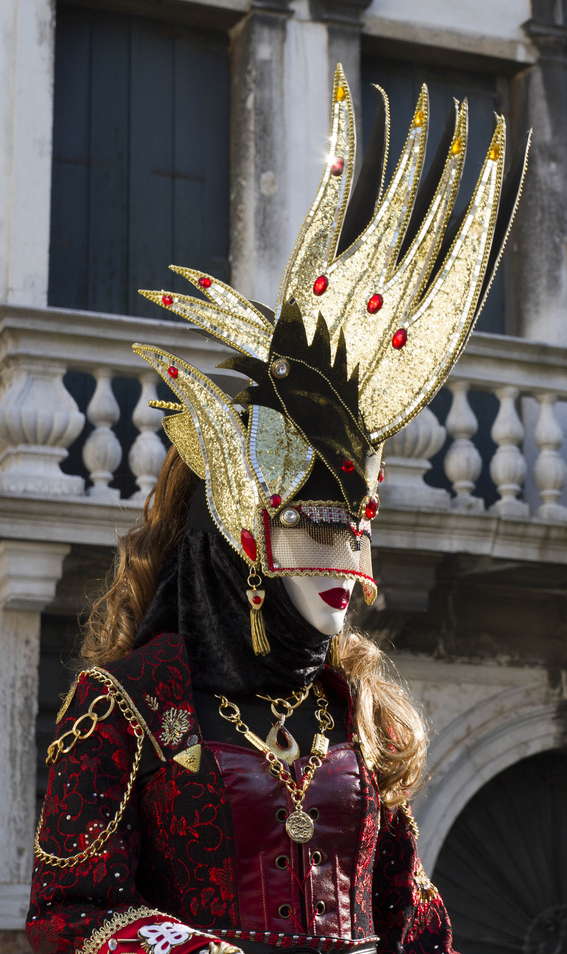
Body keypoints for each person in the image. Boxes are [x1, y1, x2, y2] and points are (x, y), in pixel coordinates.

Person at [27, 67, 529, 954]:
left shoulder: (355, 714)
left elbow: (412, 923)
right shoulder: (126, 707)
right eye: (317, 525)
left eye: (360, 528)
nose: (348, 561)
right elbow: (68, 912)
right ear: (242, 534)